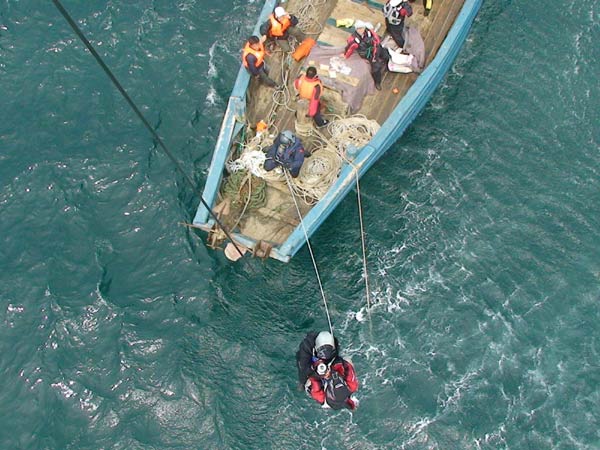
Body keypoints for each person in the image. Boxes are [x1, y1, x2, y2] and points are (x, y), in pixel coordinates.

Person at [296, 331, 359, 410]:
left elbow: (314, 382)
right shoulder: (352, 386)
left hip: (321, 381)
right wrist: (336, 365)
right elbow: (348, 368)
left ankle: (301, 384)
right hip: (334, 369)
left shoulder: (321, 397)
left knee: (305, 379)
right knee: (346, 360)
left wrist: (317, 373)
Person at [343, 21, 390, 90]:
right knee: (375, 69)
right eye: (358, 29)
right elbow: (350, 48)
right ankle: (377, 82)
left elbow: (376, 40)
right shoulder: (354, 40)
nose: (360, 30)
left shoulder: (370, 32)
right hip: (368, 55)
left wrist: (376, 49)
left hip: (375, 49)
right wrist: (345, 56)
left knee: (386, 55)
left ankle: (387, 64)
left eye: (362, 28)